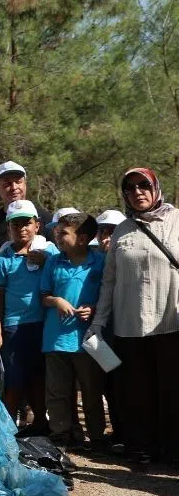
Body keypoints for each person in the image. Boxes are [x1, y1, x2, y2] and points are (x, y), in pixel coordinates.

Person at [89, 168, 179, 465]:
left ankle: (172, 448)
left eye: (144, 185)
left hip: (171, 321)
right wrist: (99, 322)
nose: (137, 192)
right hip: (131, 323)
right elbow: (109, 282)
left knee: (172, 389)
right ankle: (143, 447)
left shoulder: (177, 221)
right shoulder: (122, 231)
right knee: (137, 390)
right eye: (130, 188)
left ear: (156, 188)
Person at [40, 212, 106, 451]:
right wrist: (56, 300)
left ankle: (97, 437)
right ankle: (61, 434)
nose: (57, 236)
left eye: (63, 233)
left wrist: (95, 308)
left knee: (91, 390)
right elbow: (43, 295)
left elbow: (108, 294)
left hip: (87, 339)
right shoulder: (53, 262)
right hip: (55, 339)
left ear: (82, 238)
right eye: (57, 232)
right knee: (58, 391)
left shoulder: (99, 261)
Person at [0, 199, 58, 429]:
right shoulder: (3, 259)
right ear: (8, 228)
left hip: (43, 324)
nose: (21, 228)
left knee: (38, 378)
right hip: (13, 326)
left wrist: (46, 260)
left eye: (26, 223)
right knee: (14, 380)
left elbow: (65, 268)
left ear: (37, 225)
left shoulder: (49, 251)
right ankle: (8, 428)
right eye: (15, 224)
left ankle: (41, 422)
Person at [0, 161, 52, 243]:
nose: (14, 187)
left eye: (18, 182)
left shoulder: (47, 220)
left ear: (25, 184)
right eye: (7, 183)